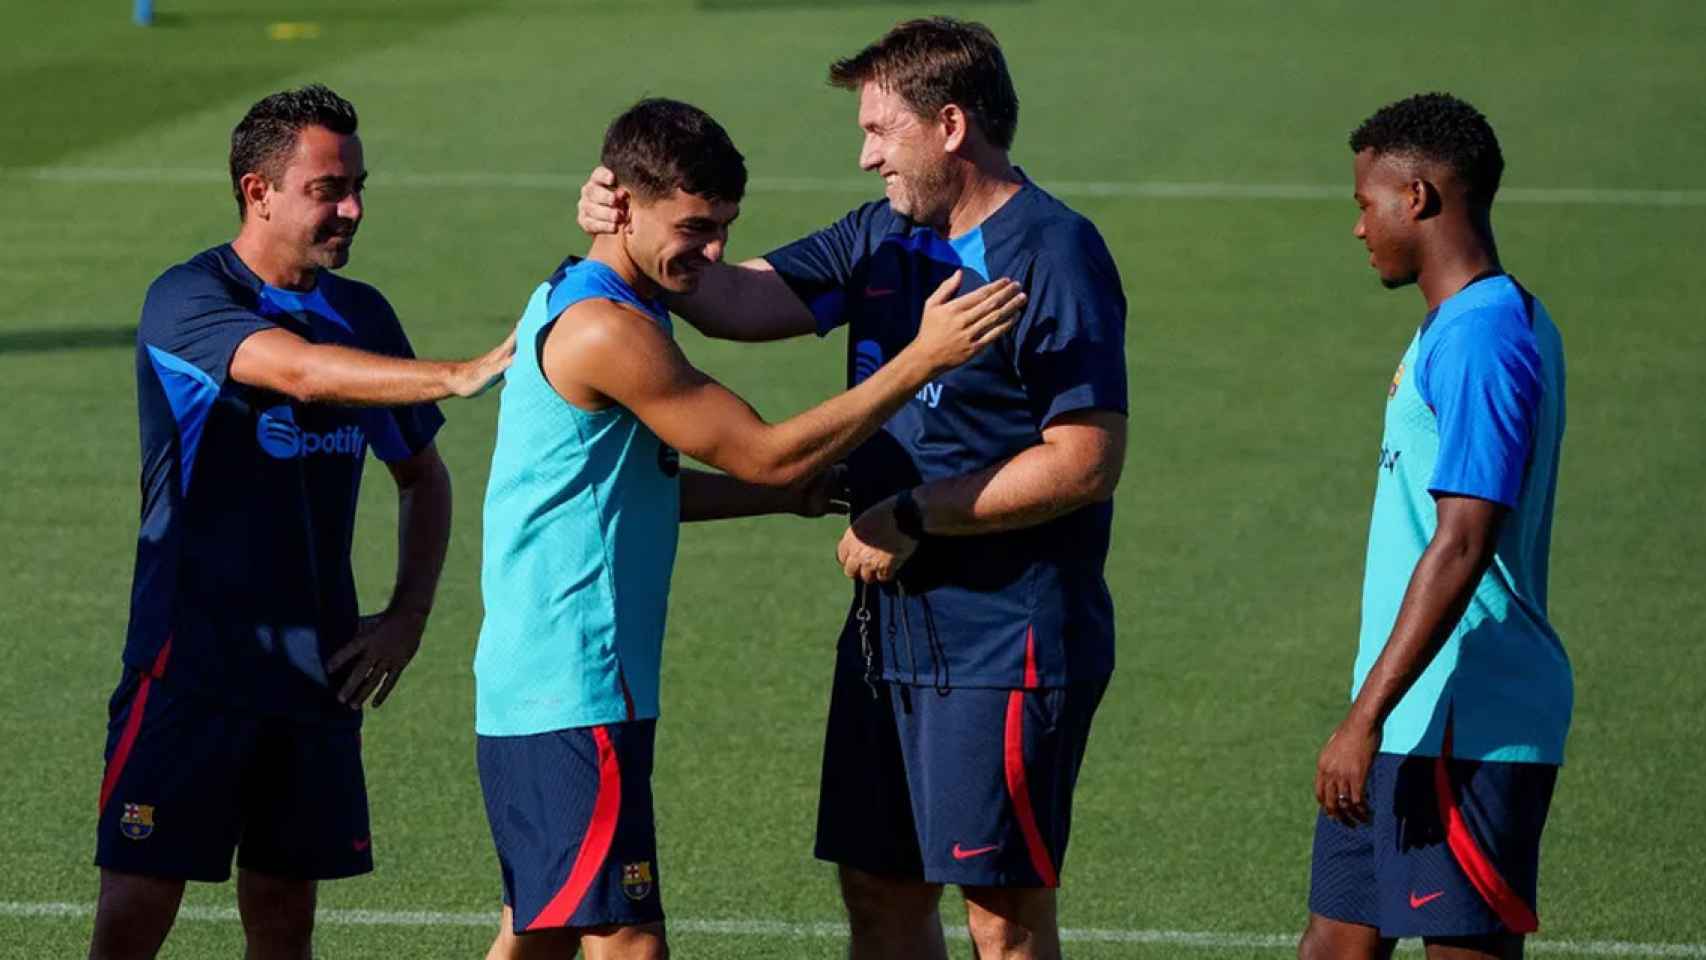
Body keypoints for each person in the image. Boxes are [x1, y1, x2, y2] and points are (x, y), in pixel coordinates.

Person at [576, 18, 1127, 960]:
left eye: (880, 129)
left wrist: (915, 512)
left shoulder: (1053, 252)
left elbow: (1084, 458)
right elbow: (734, 299)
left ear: (949, 125)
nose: (866, 153)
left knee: (1002, 918)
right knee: (878, 890)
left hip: (1004, 638)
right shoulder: (883, 235)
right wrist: (631, 227)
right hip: (887, 632)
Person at [476, 97, 1026, 960]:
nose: (713, 252)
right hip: (573, 684)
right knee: (627, 942)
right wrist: (919, 360)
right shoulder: (605, 329)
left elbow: (638, 489)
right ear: (618, 202)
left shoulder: (581, 296)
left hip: (543, 686)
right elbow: (762, 452)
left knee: (541, 937)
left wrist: (790, 497)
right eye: (695, 227)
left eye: (726, 227)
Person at [90, 84, 514, 960]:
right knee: (135, 910)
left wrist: (408, 615)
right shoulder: (188, 300)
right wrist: (458, 373)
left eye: (358, 184)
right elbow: (304, 374)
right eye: (329, 188)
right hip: (189, 666)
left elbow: (420, 475)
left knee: (285, 919)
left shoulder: (361, 312)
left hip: (315, 678)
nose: (353, 207)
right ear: (260, 192)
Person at [1299, 93, 1570, 960]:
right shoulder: (1457, 325)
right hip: (1411, 713)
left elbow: (1463, 541)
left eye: (1363, 203)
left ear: (1415, 197)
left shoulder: (1485, 339)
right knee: (1334, 945)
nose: (1359, 228)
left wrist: (1362, 717)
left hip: (1466, 717)